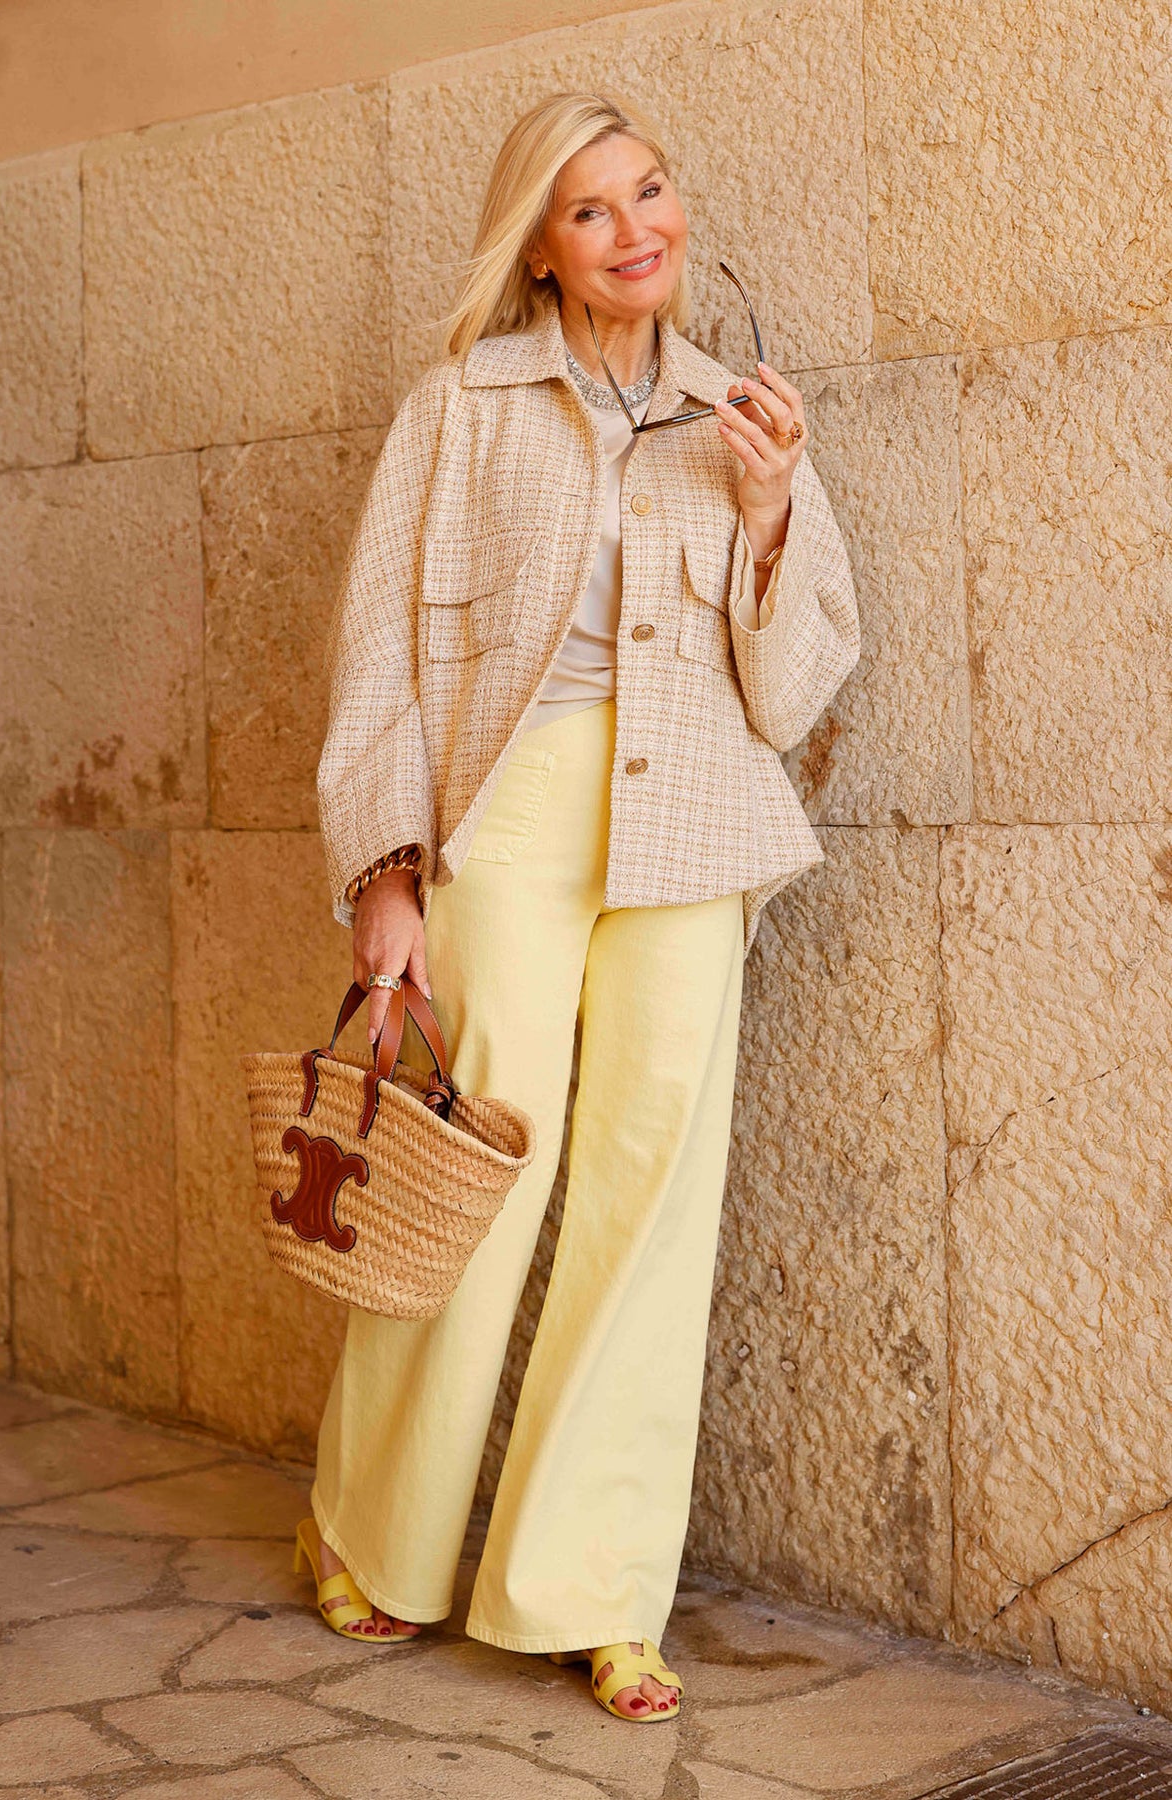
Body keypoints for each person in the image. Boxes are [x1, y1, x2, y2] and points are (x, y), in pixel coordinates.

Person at [299, 90, 859, 1720]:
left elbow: (796, 684)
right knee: (480, 1176)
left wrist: (768, 513)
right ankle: (371, 1528)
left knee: (649, 1198)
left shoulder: (737, 417)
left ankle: (591, 1589)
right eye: (591, 209)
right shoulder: (460, 409)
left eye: (650, 192)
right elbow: (378, 655)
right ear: (538, 249)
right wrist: (386, 873)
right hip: (517, 812)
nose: (634, 229)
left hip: (693, 816)